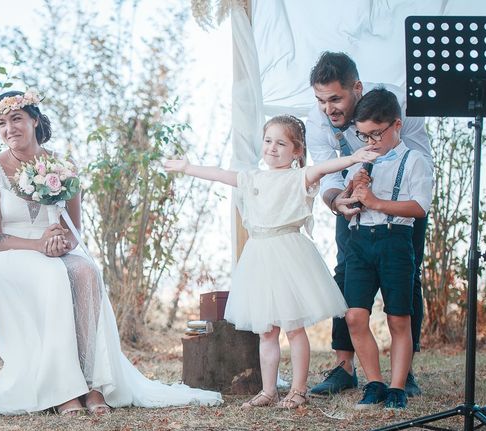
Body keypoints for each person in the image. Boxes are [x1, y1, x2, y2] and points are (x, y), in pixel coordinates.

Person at [0, 90, 222, 416]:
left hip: (55, 248)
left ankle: (94, 383)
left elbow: (74, 230)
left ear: (34, 120)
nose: (9, 128)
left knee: (86, 271)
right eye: (1, 123)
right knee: (54, 275)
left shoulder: (63, 166)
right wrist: (38, 245)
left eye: (16, 119)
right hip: (9, 255)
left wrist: (61, 244)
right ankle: (63, 391)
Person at [165, 115, 377, 408]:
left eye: (281, 143)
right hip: (259, 256)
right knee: (267, 331)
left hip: (289, 254)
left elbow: (325, 167)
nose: (272, 148)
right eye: (268, 141)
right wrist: (187, 168)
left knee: (293, 327)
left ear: (297, 151)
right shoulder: (252, 177)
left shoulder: (299, 177)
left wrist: (353, 157)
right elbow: (219, 174)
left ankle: (299, 390)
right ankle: (268, 390)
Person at [306, 52, 432, 397]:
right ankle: (344, 366)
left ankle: (404, 374)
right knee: (345, 274)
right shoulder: (318, 122)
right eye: (320, 100)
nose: (328, 108)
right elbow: (326, 174)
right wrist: (338, 202)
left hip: (399, 210)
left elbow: (419, 157)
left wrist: (387, 199)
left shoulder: (398, 106)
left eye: (335, 98)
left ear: (357, 88)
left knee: (409, 277)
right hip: (352, 207)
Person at [344, 87, 433, 409]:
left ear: (397, 125)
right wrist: (351, 193)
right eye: (363, 135)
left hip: (395, 242)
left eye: (376, 134)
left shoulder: (415, 160)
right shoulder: (364, 161)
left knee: (398, 319)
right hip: (360, 242)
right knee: (354, 315)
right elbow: (350, 201)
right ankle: (375, 383)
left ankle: (397, 387)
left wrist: (377, 202)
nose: (370, 142)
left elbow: (419, 207)